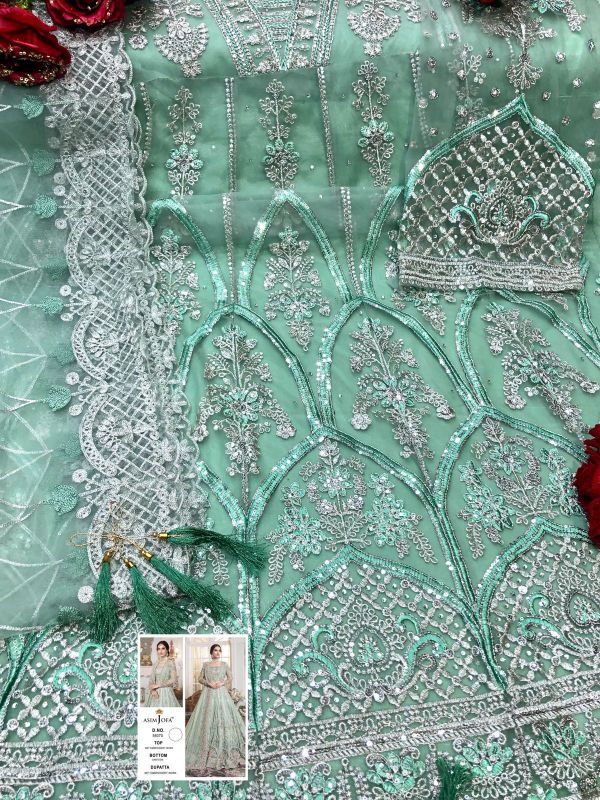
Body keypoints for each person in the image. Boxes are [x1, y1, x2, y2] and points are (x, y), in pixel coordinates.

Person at [185, 643, 245, 776]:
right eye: (215, 650)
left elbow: (230, 677)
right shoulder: (206, 665)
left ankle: (223, 745)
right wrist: (209, 683)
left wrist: (221, 683)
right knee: (207, 718)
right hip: (208, 693)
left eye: (219, 650)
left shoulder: (224, 665)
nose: (217, 652)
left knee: (223, 718)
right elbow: (200, 678)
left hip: (221, 693)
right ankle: (206, 747)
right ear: (211, 652)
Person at [144, 640, 180, 708]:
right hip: (155, 693)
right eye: (159, 649)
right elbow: (151, 679)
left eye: (163, 648)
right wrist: (153, 690)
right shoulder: (156, 663)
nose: (160, 651)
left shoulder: (170, 662)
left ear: (167, 650)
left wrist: (158, 685)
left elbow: (173, 679)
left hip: (166, 692)